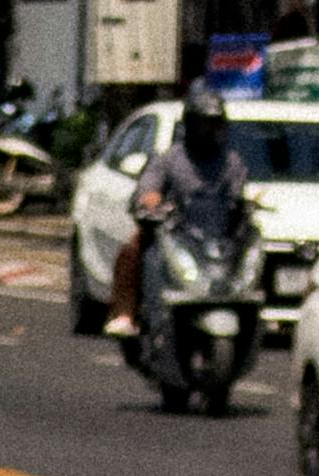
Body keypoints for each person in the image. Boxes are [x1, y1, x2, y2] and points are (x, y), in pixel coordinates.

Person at [105, 81, 251, 338]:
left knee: (252, 252)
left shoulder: (231, 162)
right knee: (132, 250)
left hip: (217, 237)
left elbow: (238, 195)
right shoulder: (170, 158)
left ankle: (250, 315)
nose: (210, 131)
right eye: (204, 124)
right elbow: (149, 188)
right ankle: (126, 314)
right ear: (191, 124)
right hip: (174, 232)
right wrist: (151, 200)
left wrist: (245, 206)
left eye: (215, 124)